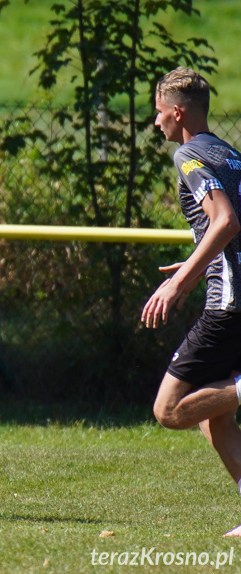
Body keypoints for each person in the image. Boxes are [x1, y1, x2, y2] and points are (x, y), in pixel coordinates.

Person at [144, 67, 241, 535]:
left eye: (159, 111)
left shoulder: (188, 155)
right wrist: (193, 263)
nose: (155, 121)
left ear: (177, 112)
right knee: (213, 415)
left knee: (169, 410)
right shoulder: (230, 153)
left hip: (228, 305)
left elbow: (224, 222)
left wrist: (180, 281)